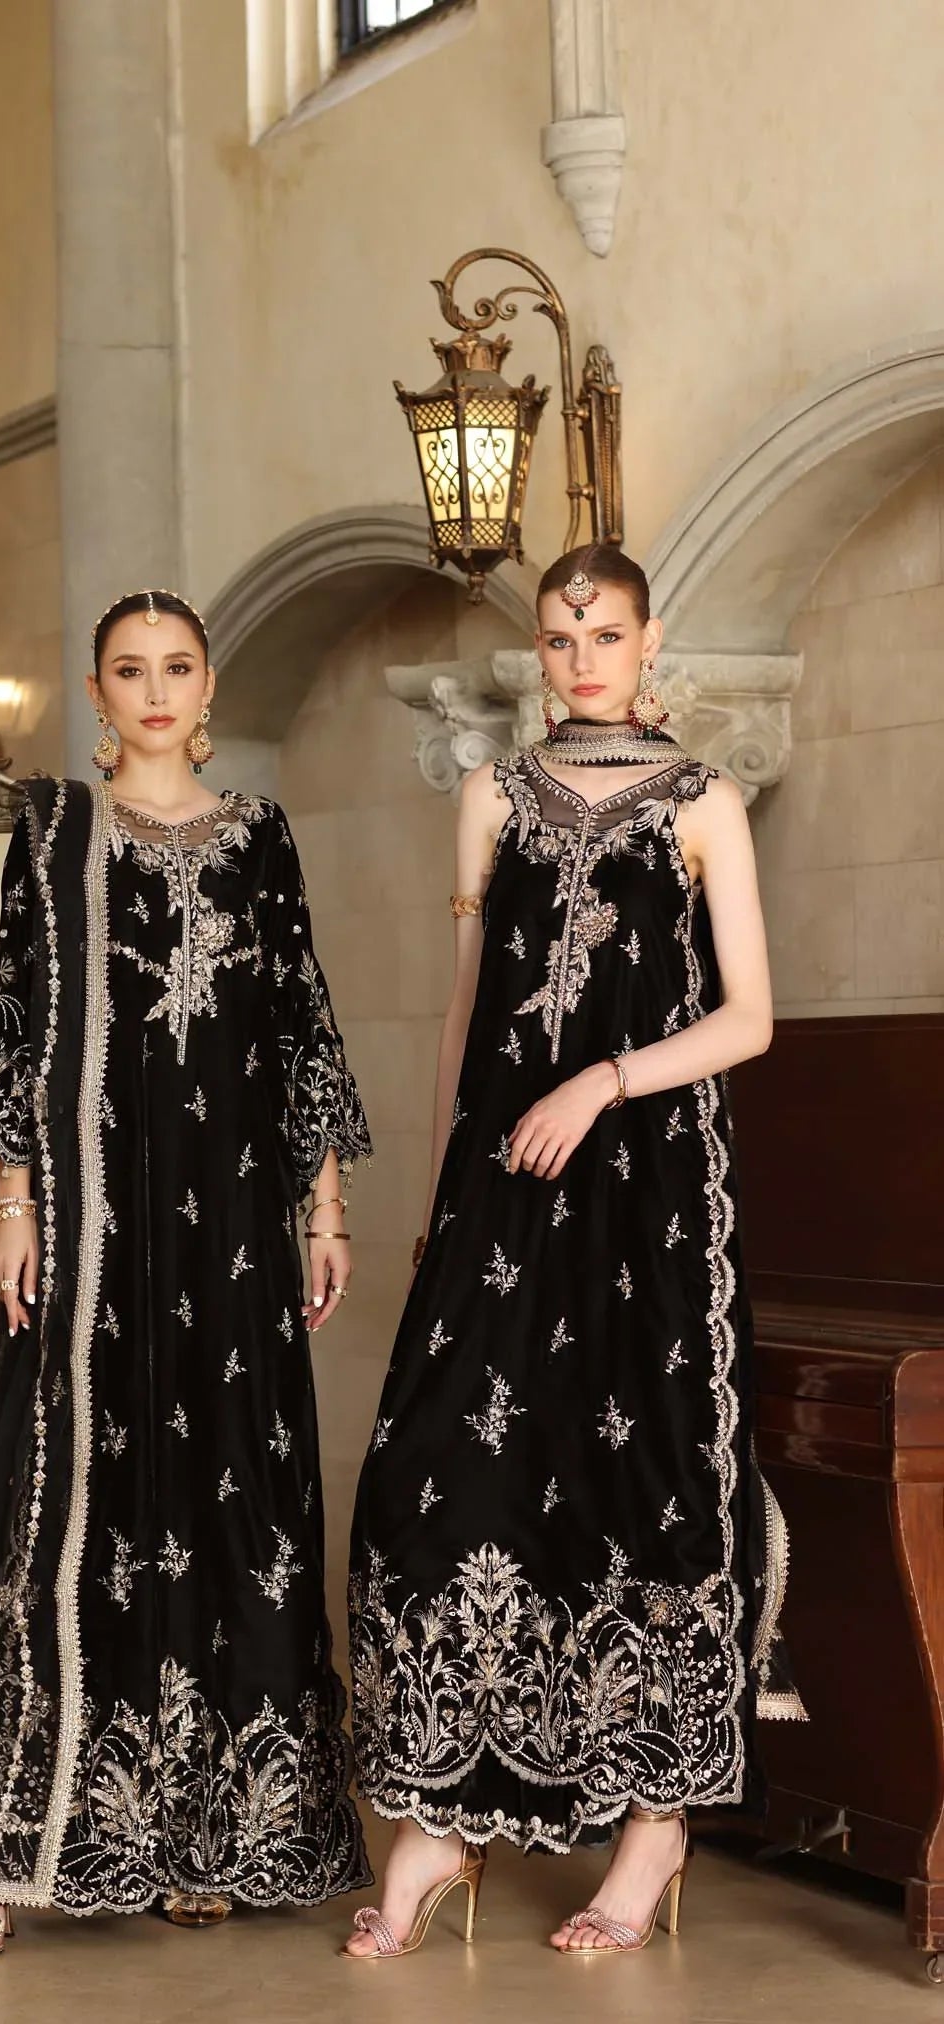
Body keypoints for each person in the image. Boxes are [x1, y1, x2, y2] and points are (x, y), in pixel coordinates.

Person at [345, 544, 805, 1962]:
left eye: (605, 634)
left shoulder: (704, 801)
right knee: (437, 1470)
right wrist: (443, 1191)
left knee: (637, 1473)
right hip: (500, 1188)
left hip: (647, 1190)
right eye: (559, 637)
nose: (582, 658)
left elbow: (749, 1020)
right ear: (538, 650)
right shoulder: (490, 796)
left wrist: (600, 1083)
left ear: (649, 641)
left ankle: (653, 1825)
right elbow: (466, 1008)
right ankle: (441, 1818)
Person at [0, 589, 372, 1955]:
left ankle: (200, 1830)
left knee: (230, 1488)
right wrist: (11, 1199)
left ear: (207, 687)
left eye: (177, 667)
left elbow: (301, 1023)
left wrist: (323, 1209)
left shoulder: (261, 836)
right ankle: (2, 1842)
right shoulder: (52, 832)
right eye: (129, 669)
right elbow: (15, 1018)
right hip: (96, 1213)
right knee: (72, 1496)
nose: (156, 690)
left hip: (232, 1224)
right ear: (97, 693)